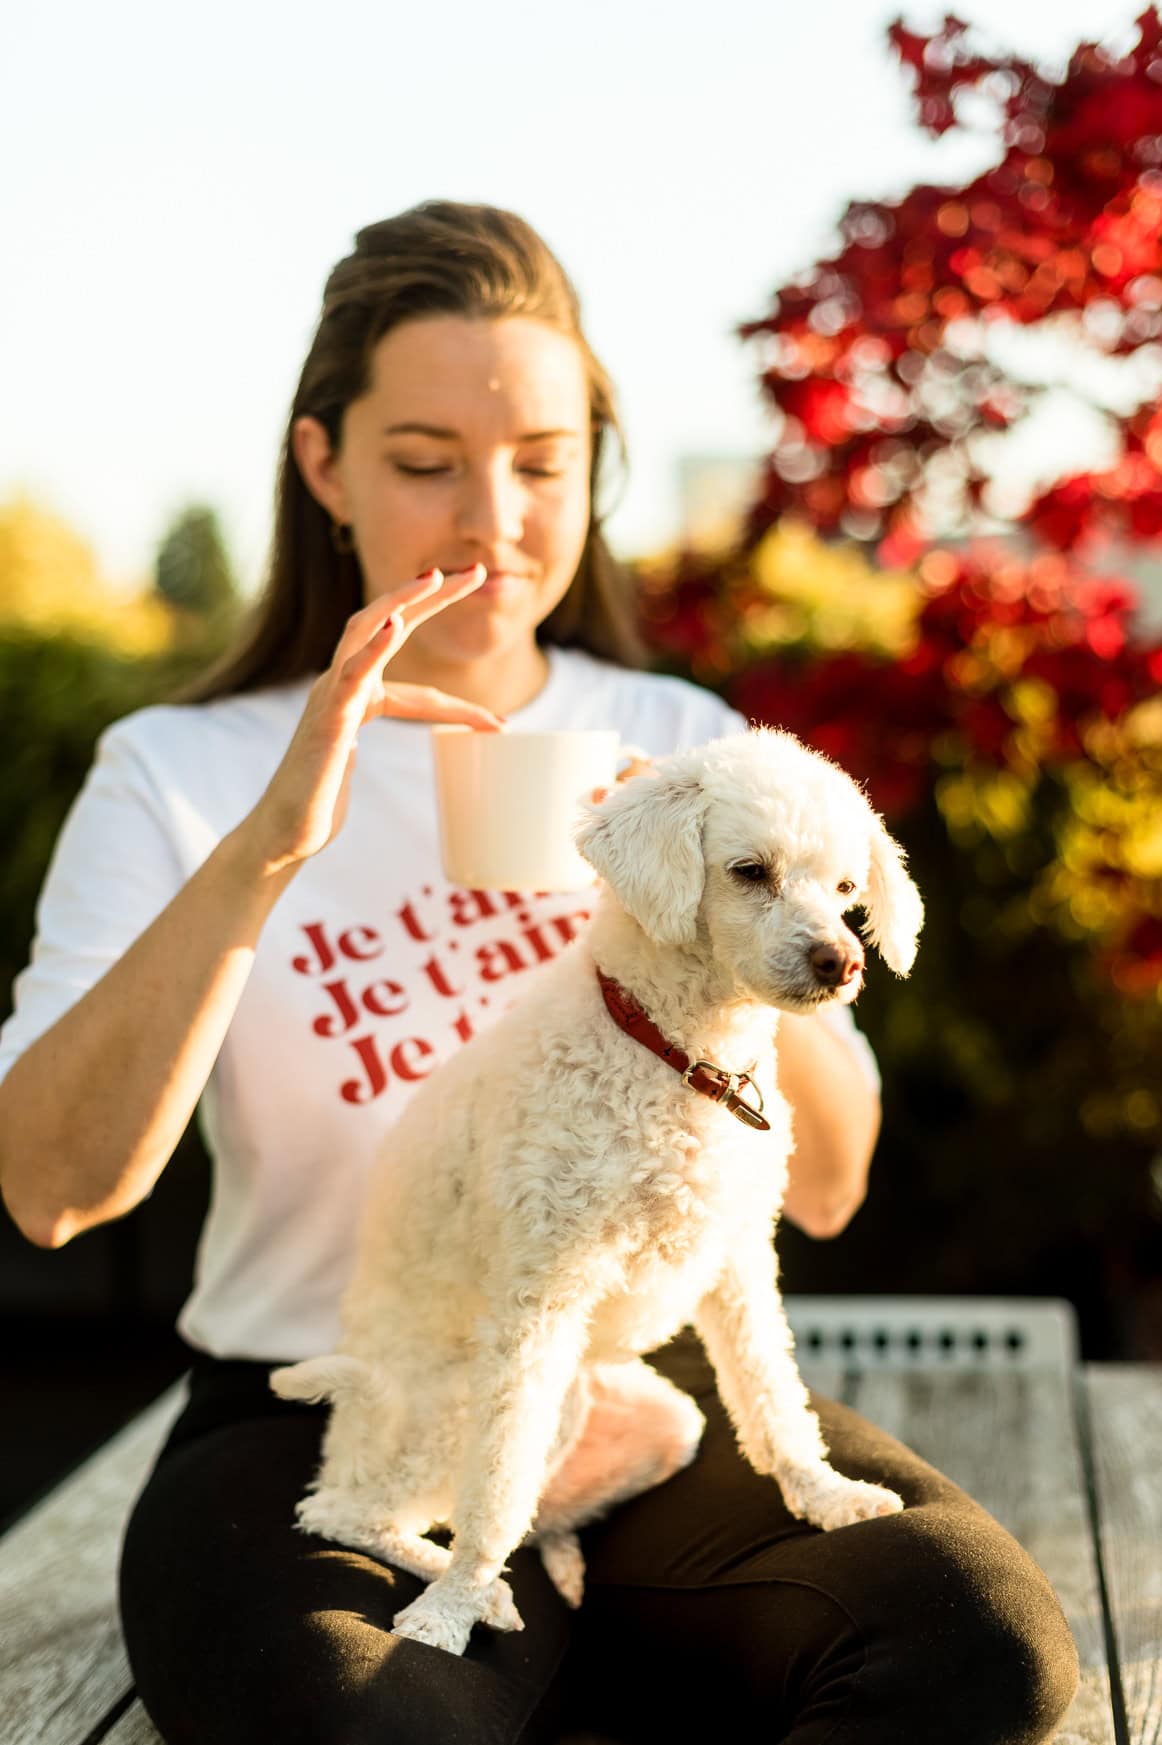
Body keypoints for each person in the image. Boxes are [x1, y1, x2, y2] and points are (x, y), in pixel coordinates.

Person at [0, 200, 1079, 1745]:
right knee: (381, 1730)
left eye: (543, 461)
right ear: (323, 465)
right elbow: (48, 1190)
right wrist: (266, 849)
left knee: (981, 1652)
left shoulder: (688, 743)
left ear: (595, 464)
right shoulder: (180, 770)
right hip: (325, 1397)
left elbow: (828, 1183)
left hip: (638, 1401)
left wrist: (724, 889)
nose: (490, 518)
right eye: (426, 459)